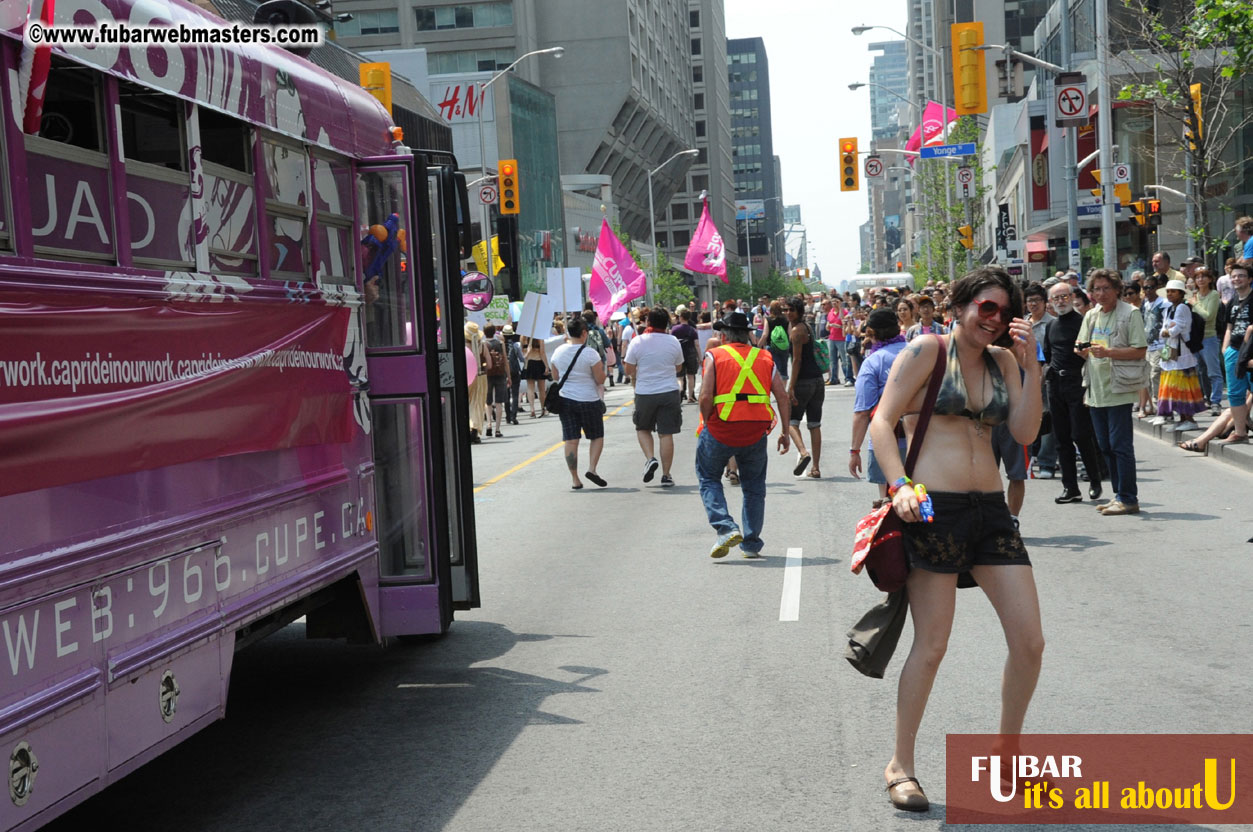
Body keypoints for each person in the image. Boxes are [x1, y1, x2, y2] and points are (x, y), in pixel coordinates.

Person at [870, 266, 1043, 813]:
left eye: (1004, 312)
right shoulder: (928, 350)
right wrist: (899, 485)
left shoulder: (1005, 361)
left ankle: (1007, 753)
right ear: (960, 307)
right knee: (933, 645)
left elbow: (1024, 432)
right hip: (933, 509)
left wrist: (1032, 366)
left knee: (1030, 643)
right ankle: (900, 764)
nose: (994, 319)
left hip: (990, 511)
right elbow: (882, 422)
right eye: (986, 307)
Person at [695, 311, 791, 558]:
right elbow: (782, 397)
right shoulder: (765, 357)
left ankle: (726, 527)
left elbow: (705, 396)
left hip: (721, 429)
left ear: (724, 335)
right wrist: (785, 431)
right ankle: (750, 544)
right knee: (754, 487)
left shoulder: (715, 355)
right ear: (748, 335)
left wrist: (707, 422)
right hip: (755, 432)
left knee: (708, 478)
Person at [1076, 269, 1149, 515]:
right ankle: (1119, 495)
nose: (1101, 293)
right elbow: (1081, 344)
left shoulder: (1130, 313)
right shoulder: (1091, 315)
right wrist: (1081, 350)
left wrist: (1109, 353)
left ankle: (1128, 498)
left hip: (1119, 387)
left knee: (1120, 445)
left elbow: (1140, 350)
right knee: (1105, 445)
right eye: (1096, 289)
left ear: (1117, 289)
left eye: (1106, 288)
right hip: (1096, 389)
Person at [1045, 282, 1105, 504]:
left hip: (1078, 384)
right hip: (1055, 385)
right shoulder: (1051, 326)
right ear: (1050, 302)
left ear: (1072, 298)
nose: (1060, 301)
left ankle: (1095, 479)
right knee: (1061, 439)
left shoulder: (1083, 322)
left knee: (1081, 434)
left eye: (1064, 296)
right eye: (1056, 298)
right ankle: (1070, 488)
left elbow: (1091, 353)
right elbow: (1048, 354)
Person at [848, 308, 909, 505]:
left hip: (888, 442)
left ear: (872, 333)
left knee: (889, 505)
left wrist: (854, 451)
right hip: (925, 440)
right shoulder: (918, 352)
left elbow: (862, 412)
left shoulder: (873, 361)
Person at [624, 307, 685, 487]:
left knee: (643, 428)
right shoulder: (673, 341)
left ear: (648, 322)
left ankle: (650, 458)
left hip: (645, 392)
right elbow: (679, 367)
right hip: (669, 391)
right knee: (666, 434)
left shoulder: (637, 341)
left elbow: (628, 370)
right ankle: (666, 475)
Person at [549, 316, 608, 490]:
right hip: (589, 399)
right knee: (596, 436)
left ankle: (575, 479)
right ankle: (592, 469)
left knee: (571, 440)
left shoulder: (558, 352)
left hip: (566, 400)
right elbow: (600, 379)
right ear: (583, 333)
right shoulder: (590, 353)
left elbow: (555, 376)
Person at [1153, 279, 1204, 431]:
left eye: (1173, 291)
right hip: (1171, 350)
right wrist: (1168, 330)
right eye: (1168, 291)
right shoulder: (1169, 309)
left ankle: (1189, 419)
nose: (1170, 294)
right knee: (1174, 387)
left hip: (1181, 352)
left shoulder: (1182, 308)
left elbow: (1175, 330)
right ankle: (1182, 419)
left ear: (1181, 293)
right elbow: (1164, 330)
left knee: (1182, 386)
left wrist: (1168, 330)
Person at [784, 296, 825, 478]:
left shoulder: (796, 331)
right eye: (786, 310)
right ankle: (815, 468)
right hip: (817, 380)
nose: (788, 313)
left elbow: (797, 360)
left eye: (791, 310)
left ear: (799, 311)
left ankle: (803, 453)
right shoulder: (806, 327)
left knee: (791, 421)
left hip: (803, 381)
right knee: (814, 424)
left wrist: (791, 386)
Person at [1218, 260, 1253, 444]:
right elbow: (1229, 327)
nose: (1237, 279)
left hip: (1250, 352)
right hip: (1233, 350)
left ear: (1250, 279)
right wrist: (1225, 349)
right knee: (1234, 393)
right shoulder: (1231, 301)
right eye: (1234, 276)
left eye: (1241, 276)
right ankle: (1240, 432)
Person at [1192, 267, 1224, 414]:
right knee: (1200, 371)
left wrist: (1194, 304)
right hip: (1195, 339)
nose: (1200, 280)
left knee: (1213, 372)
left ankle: (1216, 401)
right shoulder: (1194, 295)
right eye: (1197, 277)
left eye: (1204, 276)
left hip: (1209, 337)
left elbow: (1208, 316)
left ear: (1210, 279)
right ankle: (1206, 398)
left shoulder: (1214, 295)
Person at [482, 324, 509, 438]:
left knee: (487, 401)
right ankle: (497, 429)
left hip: (487, 374)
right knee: (499, 402)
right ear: (494, 332)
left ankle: (489, 424)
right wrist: (509, 376)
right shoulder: (500, 343)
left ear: (484, 332)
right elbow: (505, 360)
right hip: (500, 374)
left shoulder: (483, 344)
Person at [671, 308, 702, 403]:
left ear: (681, 317)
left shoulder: (674, 329)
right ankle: (690, 396)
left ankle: (681, 389)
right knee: (691, 376)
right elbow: (697, 344)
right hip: (691, 353)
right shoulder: (692, 330)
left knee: (680, 376)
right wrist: (700, 357)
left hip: (679, 353)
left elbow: (671, 342)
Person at [464, 321, 487, 444]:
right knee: (477, 404)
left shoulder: (462, 347)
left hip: (465, 378)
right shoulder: (482, 346)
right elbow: (489, 364)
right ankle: (474, 429)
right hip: (479, 377)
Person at [759, 300, 791, 379]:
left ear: (771, 309)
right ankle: (784, 385)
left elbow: (765, 334)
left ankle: (776, 384)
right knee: (784, 369)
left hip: (772, 346)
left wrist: (758, 345)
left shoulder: (768, 319)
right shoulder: (786, 319)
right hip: (784, 347)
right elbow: (790, 334)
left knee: (774, 369)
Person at [522, 333, 548, 418]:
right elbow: (542, 353)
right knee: (542, 389)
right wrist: (546, 366)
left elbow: (522, 352)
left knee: (530, 388)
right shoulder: (540, 337)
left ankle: (532, 409)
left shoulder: (523, 337)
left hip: (529, 363)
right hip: (539, 362)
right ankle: (543, 408)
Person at [503, 325, 523, 426]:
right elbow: (522, 359)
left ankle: (507, 416)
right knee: (515, 394)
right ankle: (514, 416)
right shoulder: (515, 346)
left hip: (504, 372)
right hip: (515, 371)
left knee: (506, 394)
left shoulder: (501, 345)